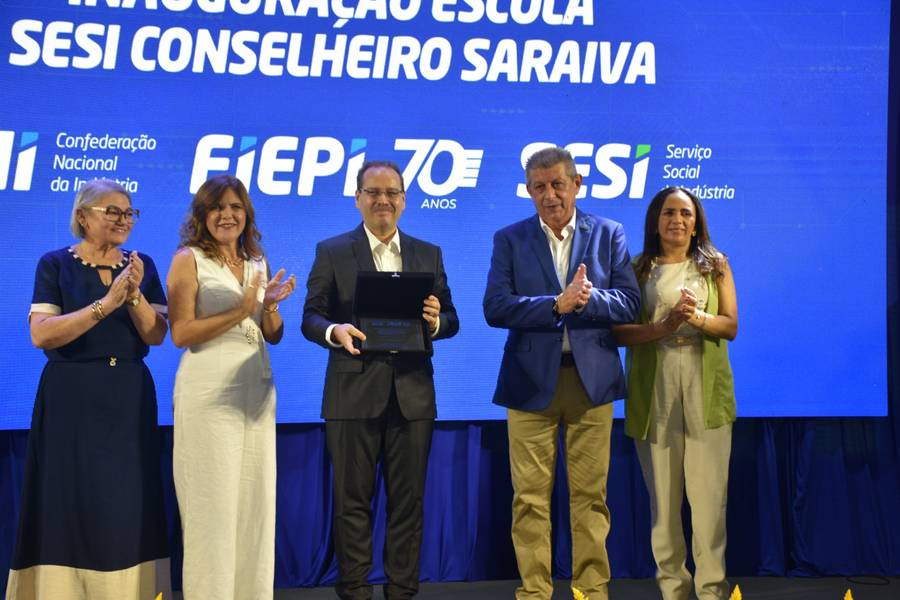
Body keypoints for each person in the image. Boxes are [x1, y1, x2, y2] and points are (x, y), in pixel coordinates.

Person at [483, 147, 640, 600]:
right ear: (529, 191)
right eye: (539, 187)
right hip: (529, 384)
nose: (549, 195)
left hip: (592, 383)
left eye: (557, 184)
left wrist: (587, 299)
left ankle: (591, 591)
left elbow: (630, 303)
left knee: (590, 498)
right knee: (528, 499)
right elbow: (495, 307)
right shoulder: (509, 239)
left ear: (577, 184)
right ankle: (535, 592)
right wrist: (555, 305)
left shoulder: (609, 234)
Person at [302, 160, 459, 600]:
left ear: (404, 200)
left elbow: (451, 319)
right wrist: (335, 332)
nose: (383, 200)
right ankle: (354, 592)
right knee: (351, 503)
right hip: (351, 393)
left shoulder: (429, 253)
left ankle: (402, 592)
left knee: (408, 506)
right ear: (358, 199)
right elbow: (311, 316)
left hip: (413, 395)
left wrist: (434, 323)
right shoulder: (331, 251)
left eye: (392, 192)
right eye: (373, 192)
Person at [6, 179, 170, 599]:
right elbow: (42, 335)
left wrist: (132, 296)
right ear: (83, 216)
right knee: (67, 494)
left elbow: (155, 335)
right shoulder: (54, 264)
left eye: (129, 212)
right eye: (111, 211)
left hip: (128, 394)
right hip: (70, 394)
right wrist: (104, 305)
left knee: (126, 497)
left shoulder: (142, 265)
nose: (123, 219)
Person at [167, 174, 296, 599]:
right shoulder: (188, 259)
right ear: (203, 215)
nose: (227, 215)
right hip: (208, 393)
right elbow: (182, 333)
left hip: (256, 391)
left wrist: (269, 307)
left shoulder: (256, 260)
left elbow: (271, 333)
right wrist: (243, 308)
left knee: (253, 506)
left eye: (235, 207)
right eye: (218, 207)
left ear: (247, 214)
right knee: (213, 507)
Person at [613, 186, 738, 600]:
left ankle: (711, 590)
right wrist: (663, 326)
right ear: (655, 221)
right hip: (655, 385)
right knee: (664, 504)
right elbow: (619, 333)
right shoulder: (636, 268)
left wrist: (696, 317)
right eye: (669, 213)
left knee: (708, 502)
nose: (677, 221)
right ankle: (673, 590)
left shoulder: (715, 265)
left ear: (696, 220)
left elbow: (730, 326)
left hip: (705, 385)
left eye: (685, 213)